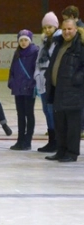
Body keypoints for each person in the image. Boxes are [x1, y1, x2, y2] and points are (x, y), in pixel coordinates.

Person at [44, 19, 84, 162]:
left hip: (73, 92)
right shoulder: (59, 44)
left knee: (72, 126)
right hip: (58, 90)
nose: (67, 32)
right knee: (60, 124)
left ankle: (72, 153)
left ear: (75, 29)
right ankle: (61, 151)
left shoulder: (80, 45)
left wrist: (76, 79)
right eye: (65, 29)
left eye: (70, 29)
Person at [34, 11, 61, 152]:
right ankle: (51, 140)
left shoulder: (58, 41)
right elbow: (38, 61)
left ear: (55, 27)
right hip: (42, 80)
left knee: (51, 110)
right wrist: (37, 75)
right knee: (46, 110)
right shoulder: (44, 42)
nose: (47, 30)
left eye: (50, 27)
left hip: (52, 80)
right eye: (45, 27)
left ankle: (57, 140)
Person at [8, 30, 39, 150]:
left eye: (26, 40)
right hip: (18, 88)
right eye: (21, 40)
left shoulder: (35, 52)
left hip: (29, 88)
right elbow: (12, 69)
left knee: (29, 113)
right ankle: (20, 139)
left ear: (30, 41)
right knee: (20, 114)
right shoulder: (17, 53)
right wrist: (11, 82)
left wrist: (32, 83)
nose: (23, 42)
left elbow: (36, 69)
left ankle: (27, 140)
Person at [61, 5, 84, 137]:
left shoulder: (80, 33)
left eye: (67, 19)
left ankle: (81, 127)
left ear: (74, 18)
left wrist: (78, 76)